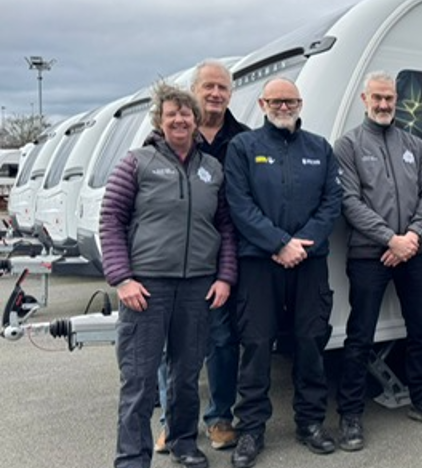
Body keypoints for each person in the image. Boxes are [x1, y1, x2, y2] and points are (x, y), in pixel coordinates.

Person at [102, 82, 236, 468]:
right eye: (171, 113)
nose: (179, 119)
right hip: (146, 287)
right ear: (159, 120)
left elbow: (226, 227)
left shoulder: (212, 169)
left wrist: (224, 276)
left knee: (186, 374)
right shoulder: (136, 162)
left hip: (198, 286)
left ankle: (182, 442)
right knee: (140, 381)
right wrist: (122, 279)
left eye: (186, 113)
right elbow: (110, 220)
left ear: (196, 121)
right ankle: (131, 458)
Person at [225, 78, 343, 468]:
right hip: (260, 263)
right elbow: (239, 204)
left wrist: (301, 243)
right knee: (256, 345)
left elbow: (332, 202)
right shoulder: (243, 147)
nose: (283, 106)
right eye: (275, 100)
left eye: (289, 100)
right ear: (262, 103)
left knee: (311, 342)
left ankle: (310, 423)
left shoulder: (319, 148)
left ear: (300, 103)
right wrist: (278, 243)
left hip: (309, 263)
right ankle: (251, 430)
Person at [334, 71, 422, 452]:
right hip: (370, 254)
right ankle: (350, 414)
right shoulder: (348, 145)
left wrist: (412, 236)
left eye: (390, 99)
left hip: (414, 252)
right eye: (377, 98)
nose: (384, 105)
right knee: (360, 335)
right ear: (365, 99)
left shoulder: (413, 143)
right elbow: (349, 201)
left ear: (397, 100)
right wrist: (391, 238)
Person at [154, 59, 250, 455]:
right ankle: (172, 423)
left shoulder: (243, 139)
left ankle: (219, 417)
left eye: (222, 88)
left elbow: (235, 212)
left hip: (222, 259)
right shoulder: (167, 138)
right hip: (171, 261)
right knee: (170, 346)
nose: (215, 94)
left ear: (230, 94)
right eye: (208, 86)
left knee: (222, 340)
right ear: (194, 90)